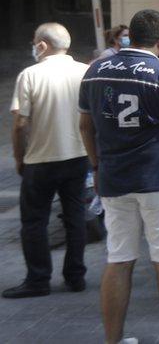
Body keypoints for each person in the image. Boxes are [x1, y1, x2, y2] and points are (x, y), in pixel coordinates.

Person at [78, 9, 159, 344]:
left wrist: (96, 165)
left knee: (118, 259)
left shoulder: (95, 70)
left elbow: (85, 126)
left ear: (129, 35)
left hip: (114, 180)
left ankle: (114, 339)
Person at [4, 23, 90, 299]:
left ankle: (38, 280)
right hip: (78, 157)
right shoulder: (85, 72)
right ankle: (75, 276)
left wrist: (19, 157)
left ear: (41, 45)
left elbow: (20, 124)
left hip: (40, 161)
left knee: (34, 221)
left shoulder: (30, 75)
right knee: (75, 217)